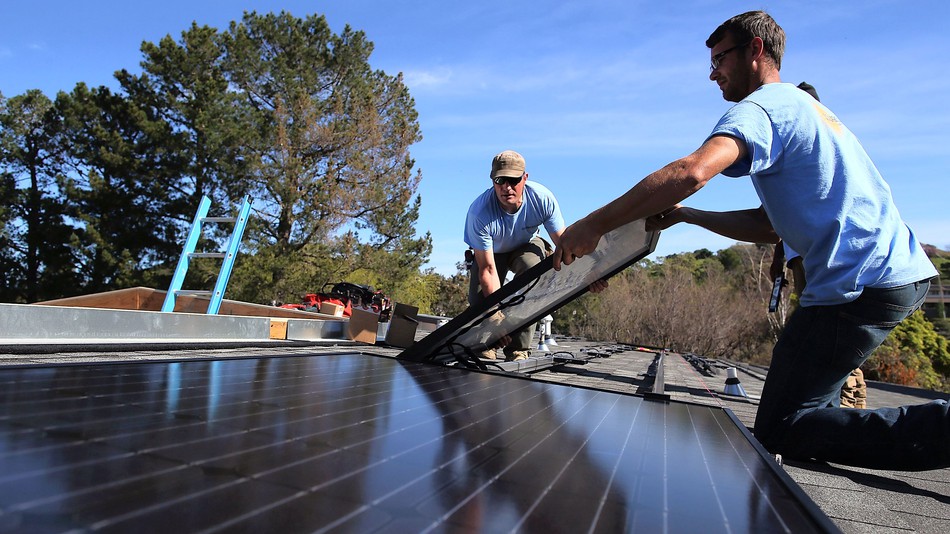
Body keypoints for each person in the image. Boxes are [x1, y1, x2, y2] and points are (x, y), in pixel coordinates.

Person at [553, 11, 946, 470]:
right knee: (792, 421)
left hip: (859, 281)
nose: (713, 72)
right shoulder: (803, 110)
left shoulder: (766, 106)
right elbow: (768, 226)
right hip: (882, 275)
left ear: (756, 52)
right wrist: (688, 217)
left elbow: (691, 171)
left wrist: (594, 224)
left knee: (785, 428)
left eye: (720, 58)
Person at [464, 150, 565, 361]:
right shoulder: (479, 213)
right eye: (500, 180)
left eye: (513, 180)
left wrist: (592, 274)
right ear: (493, 180)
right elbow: (488, 269)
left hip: (526, 244)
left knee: (532, 270)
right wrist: (496, 318)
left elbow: (565, 246)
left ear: (525, 178)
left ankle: (518, 349)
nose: (506, 187)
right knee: (480, 297)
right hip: (493, 253)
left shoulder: (542, 199)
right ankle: (486, 344)